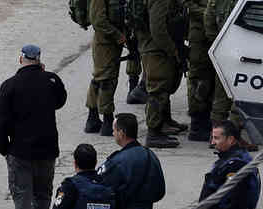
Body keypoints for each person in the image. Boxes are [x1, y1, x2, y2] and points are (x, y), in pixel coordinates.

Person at [0, 44, 67, 209]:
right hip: (46, 150)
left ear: (21, 59)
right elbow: (60, 101)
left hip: (20, 151)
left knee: (23, 200)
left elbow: (0, 121)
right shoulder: (50, 80)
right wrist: (46, 75)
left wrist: (3, 148)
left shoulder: (10, 85)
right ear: (39, 60)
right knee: (43, 197)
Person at [204, 0, 258, 151]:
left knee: (221, 96)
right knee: (241, 93)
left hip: (225, 49)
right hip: (247, 51)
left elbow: (208, 21)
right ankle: (233, 137)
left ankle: (215, 136)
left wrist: (219, 43)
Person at [135, 0, 188, 148]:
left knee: (166, 84)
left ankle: (165, 121)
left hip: (158, 47)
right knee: (158, 88)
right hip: (156, 49)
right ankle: (154, 132)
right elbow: (157, 28)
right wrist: (173, 49)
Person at [84, 0, 126, 136]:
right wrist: (117, 35)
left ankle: (93, 119)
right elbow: (98, 20)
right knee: (106, 79)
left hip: (111, 42)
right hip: (105, 43)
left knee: (101, 77)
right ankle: (107, 121)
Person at [185, 0, 215, 142]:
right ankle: (197, 124)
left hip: (215, 33)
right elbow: (188, 5)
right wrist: (209, 14)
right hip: (199, 37)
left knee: (210, 79)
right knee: (198, 79)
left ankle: (206, 118)